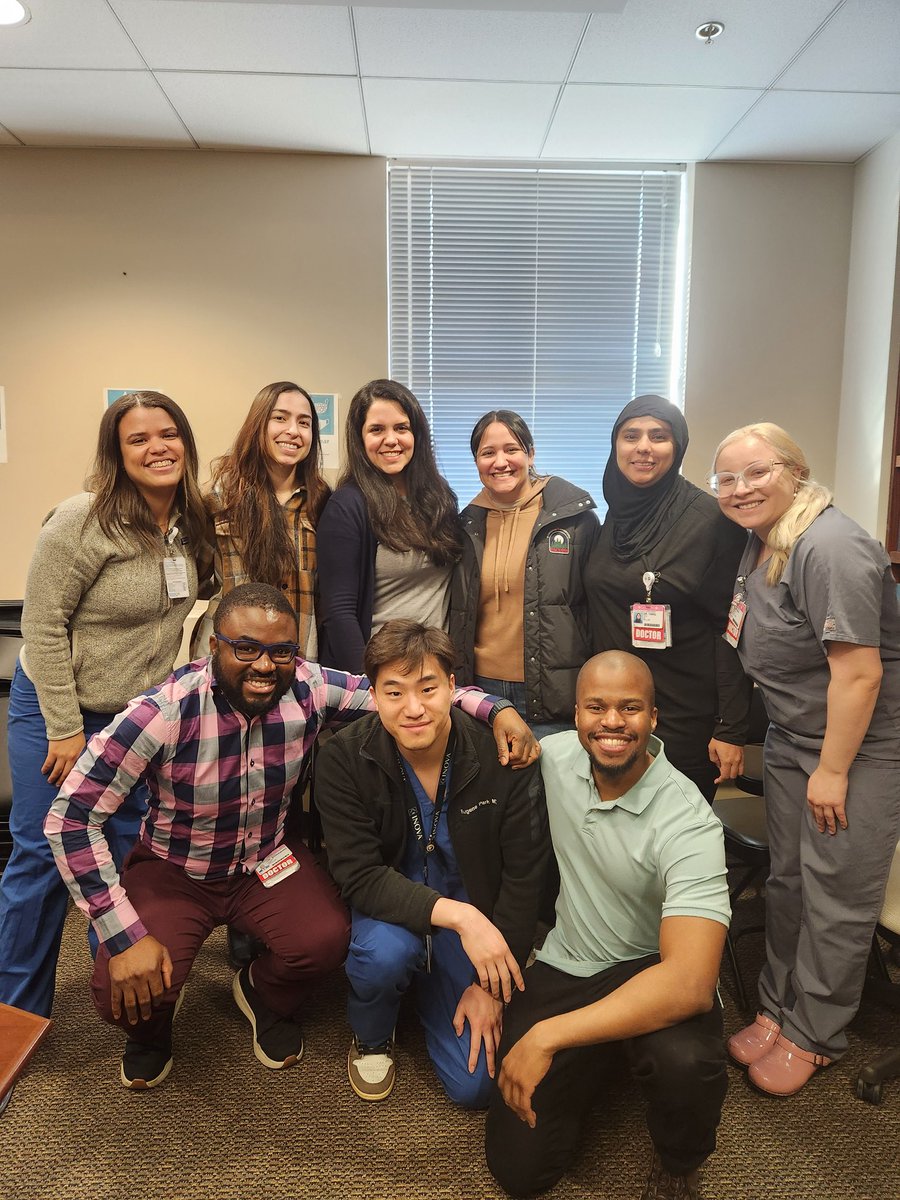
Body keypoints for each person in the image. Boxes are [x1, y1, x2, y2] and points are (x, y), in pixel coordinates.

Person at [43, 584, 538, 1090]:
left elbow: (404, 691)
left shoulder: (308, 687)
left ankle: (259, 992)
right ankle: (152, 1031)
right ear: (214, 647)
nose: (264, 665)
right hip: (177, 869)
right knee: (123, 988)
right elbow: (70, 818)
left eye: (281, 651)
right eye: (246, 648)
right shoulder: (162, 714)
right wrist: (121, 934)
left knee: (327, 939)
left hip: (266, 861)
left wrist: (494, 708)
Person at [485, 651, 730, 1200]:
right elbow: (453, 719)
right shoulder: (553, 756)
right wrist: (498, 707)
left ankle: (679, 1160)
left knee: (685, 1063)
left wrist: (548, 1036)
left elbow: (689, 983)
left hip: (655, 969)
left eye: (630, 708)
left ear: (653, 718)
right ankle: (607, 1054)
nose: (613, 723)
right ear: (575, 716)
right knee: (519, 1173)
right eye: (596, 707)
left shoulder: (687, 819)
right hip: (570, 961)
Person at [0, 391, 211, 1019]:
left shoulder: (190, 525)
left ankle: (119, 1002)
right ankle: (15, 1017)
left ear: (186, 443)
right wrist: (65, 728)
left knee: (122, 856)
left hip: (129, 721)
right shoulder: (82, 518)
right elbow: (41, 624)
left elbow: (212, 596)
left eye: (168, 434)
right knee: (42, 857)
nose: (157, 448)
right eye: (138, 439)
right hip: (54, 713)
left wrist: (193, 672)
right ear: (116, 455)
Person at [710, 423, 900, 1096]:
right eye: (726, 479)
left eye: (756, 473)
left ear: (794, 470)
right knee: (788, 883)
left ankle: (816, 1032)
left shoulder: (832, 546)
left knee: (835, 894)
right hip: (794, 739)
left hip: (856, 750)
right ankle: (777, 1007)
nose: (740, 489)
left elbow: (859, 676)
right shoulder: (762, 543)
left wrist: (835, 770)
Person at [315, 620, 548, 1107]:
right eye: (394, 692)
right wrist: (462, 918)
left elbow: (524, 877)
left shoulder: (501, 754)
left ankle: (437, 987)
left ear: (452, 688)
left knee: (477, 1089)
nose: (414, 708)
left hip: (474, 916)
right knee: (382, 956)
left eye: (428, 688)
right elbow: (358, 875)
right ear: (373, 695)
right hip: (394, 910)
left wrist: (491, 988)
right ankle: (374, 1032)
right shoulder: (343, 757)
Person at [586, 395, 749, 801]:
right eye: (631, 435)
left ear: (676, 448)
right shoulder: (615, 516)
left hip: (681, 717)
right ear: (615, 446)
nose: (643, 446)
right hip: (613, 716)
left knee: (675, 844)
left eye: (658, 436)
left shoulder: (712, 522)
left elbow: (730, 632)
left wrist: (730, 728)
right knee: (615, 837)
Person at [450, 410, 601, 738]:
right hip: (482, 691)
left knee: (552, 788)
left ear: (531, 453)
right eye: (488, 453)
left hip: (554, 691)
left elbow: (598, 610)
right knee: (492, 788)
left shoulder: (574, 521)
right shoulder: (466, 527)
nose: (500, 461)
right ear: (476, 461)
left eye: (512, 449)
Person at [316, 379, 462, 672]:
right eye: (376, 430)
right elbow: (338, 612)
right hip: (382, 675)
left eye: (401, 428)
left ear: (416, 434)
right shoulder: (348, 506)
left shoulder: (439, 500)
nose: (391, 440)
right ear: (360, 439)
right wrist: (370, 684)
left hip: (435, 670)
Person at [205, 380, 331, 661]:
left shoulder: (322, 501)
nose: (292, 431)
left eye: (304, 422)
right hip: (232, 656)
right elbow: (198, 579)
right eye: (280, 418)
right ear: (258, 424)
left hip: (297, 656)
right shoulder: (220, 496)